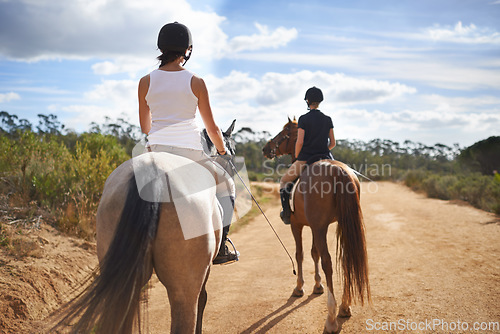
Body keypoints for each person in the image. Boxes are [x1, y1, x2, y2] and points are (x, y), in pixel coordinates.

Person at [138, 22, 238, 264]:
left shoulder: (145, 82)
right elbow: (212, 129)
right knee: (227, 185)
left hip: (154, 153)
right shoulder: (196, 81)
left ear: (161, 48)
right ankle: (222, 246)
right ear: (188, 50)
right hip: (190, 154)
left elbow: (145, 127)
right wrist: (222, 151)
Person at [279, 87, 336, 224]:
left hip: (306, 158)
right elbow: (333, 143)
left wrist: (299, 157)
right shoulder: (327, 119)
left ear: (307, 100)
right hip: (326, 157)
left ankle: (287, 213)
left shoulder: (303, 119)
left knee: (284, 181)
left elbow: (299, 142)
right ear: (320, 101)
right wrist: (323, 150)